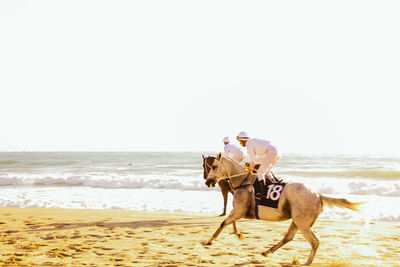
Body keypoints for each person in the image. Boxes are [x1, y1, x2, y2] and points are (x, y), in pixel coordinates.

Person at [236, 131, 279, 198]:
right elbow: (256, 160)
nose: (240, 143)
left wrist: (250, 169)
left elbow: (254, 160)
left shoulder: (248, 144)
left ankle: (263, 192)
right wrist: (251, 166)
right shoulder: (252, 142)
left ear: (243, 140)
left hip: (271, 152)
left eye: (240, 141)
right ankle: (275, 183)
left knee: (260, 172)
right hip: (276, 151)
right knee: (266, 171)